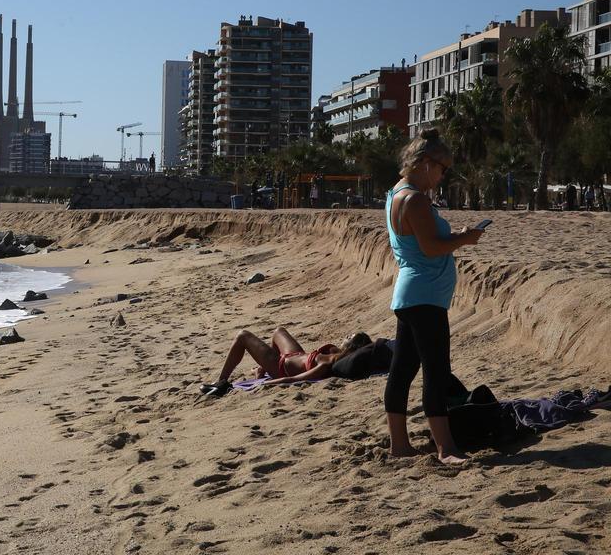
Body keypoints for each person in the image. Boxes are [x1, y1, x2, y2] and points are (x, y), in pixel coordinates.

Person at [384, 128, 483, 464]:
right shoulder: (415, 198)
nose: (442, 177)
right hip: (424, 296)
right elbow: (430, 248)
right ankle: (446, 448)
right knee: (436, 370)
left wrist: (455, 237)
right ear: (426, 163)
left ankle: (399, 445)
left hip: (412, 294)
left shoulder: (395, 194)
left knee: (403, 369)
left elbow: (417, 243)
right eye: (442, 169)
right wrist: (465, 239)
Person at [202, 327, 372, 396]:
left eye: (350, 337)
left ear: (352, 348)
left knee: (243, 336)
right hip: (294, 354)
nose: (346, 336)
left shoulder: (326, 365)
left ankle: (221, 382)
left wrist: (263, 384)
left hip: (281, 367)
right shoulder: (335, 352)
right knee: (278, 331)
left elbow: (294, 380)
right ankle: (262, 369)